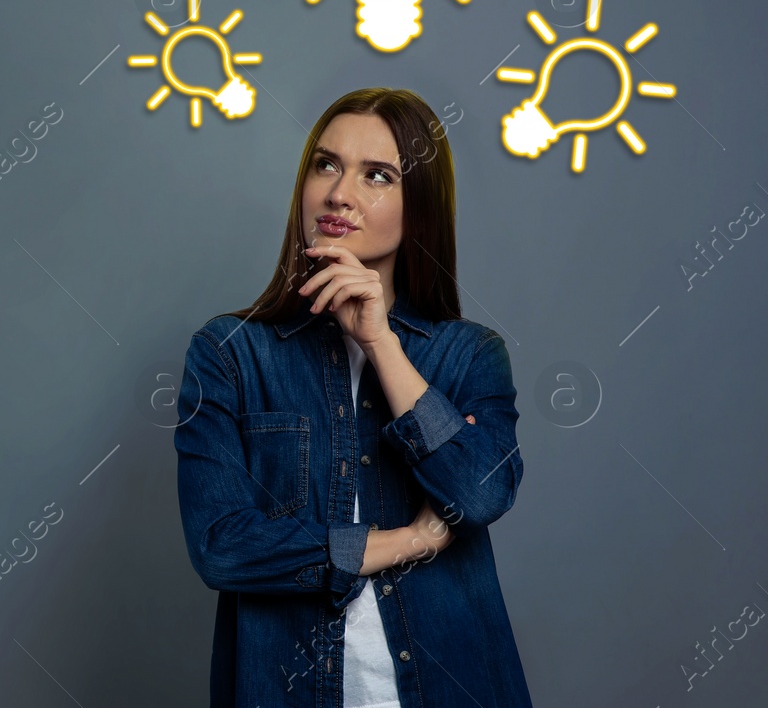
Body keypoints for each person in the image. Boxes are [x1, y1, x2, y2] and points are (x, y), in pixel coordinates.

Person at [174, 87, 532, 707]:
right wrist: (408, 542)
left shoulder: (470, 354)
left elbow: (481, 493)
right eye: (327, 164)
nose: (340, 192)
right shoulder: (231, 353)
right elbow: (221, 548)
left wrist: (382, 343)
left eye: (377, 176)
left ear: (417, 207)